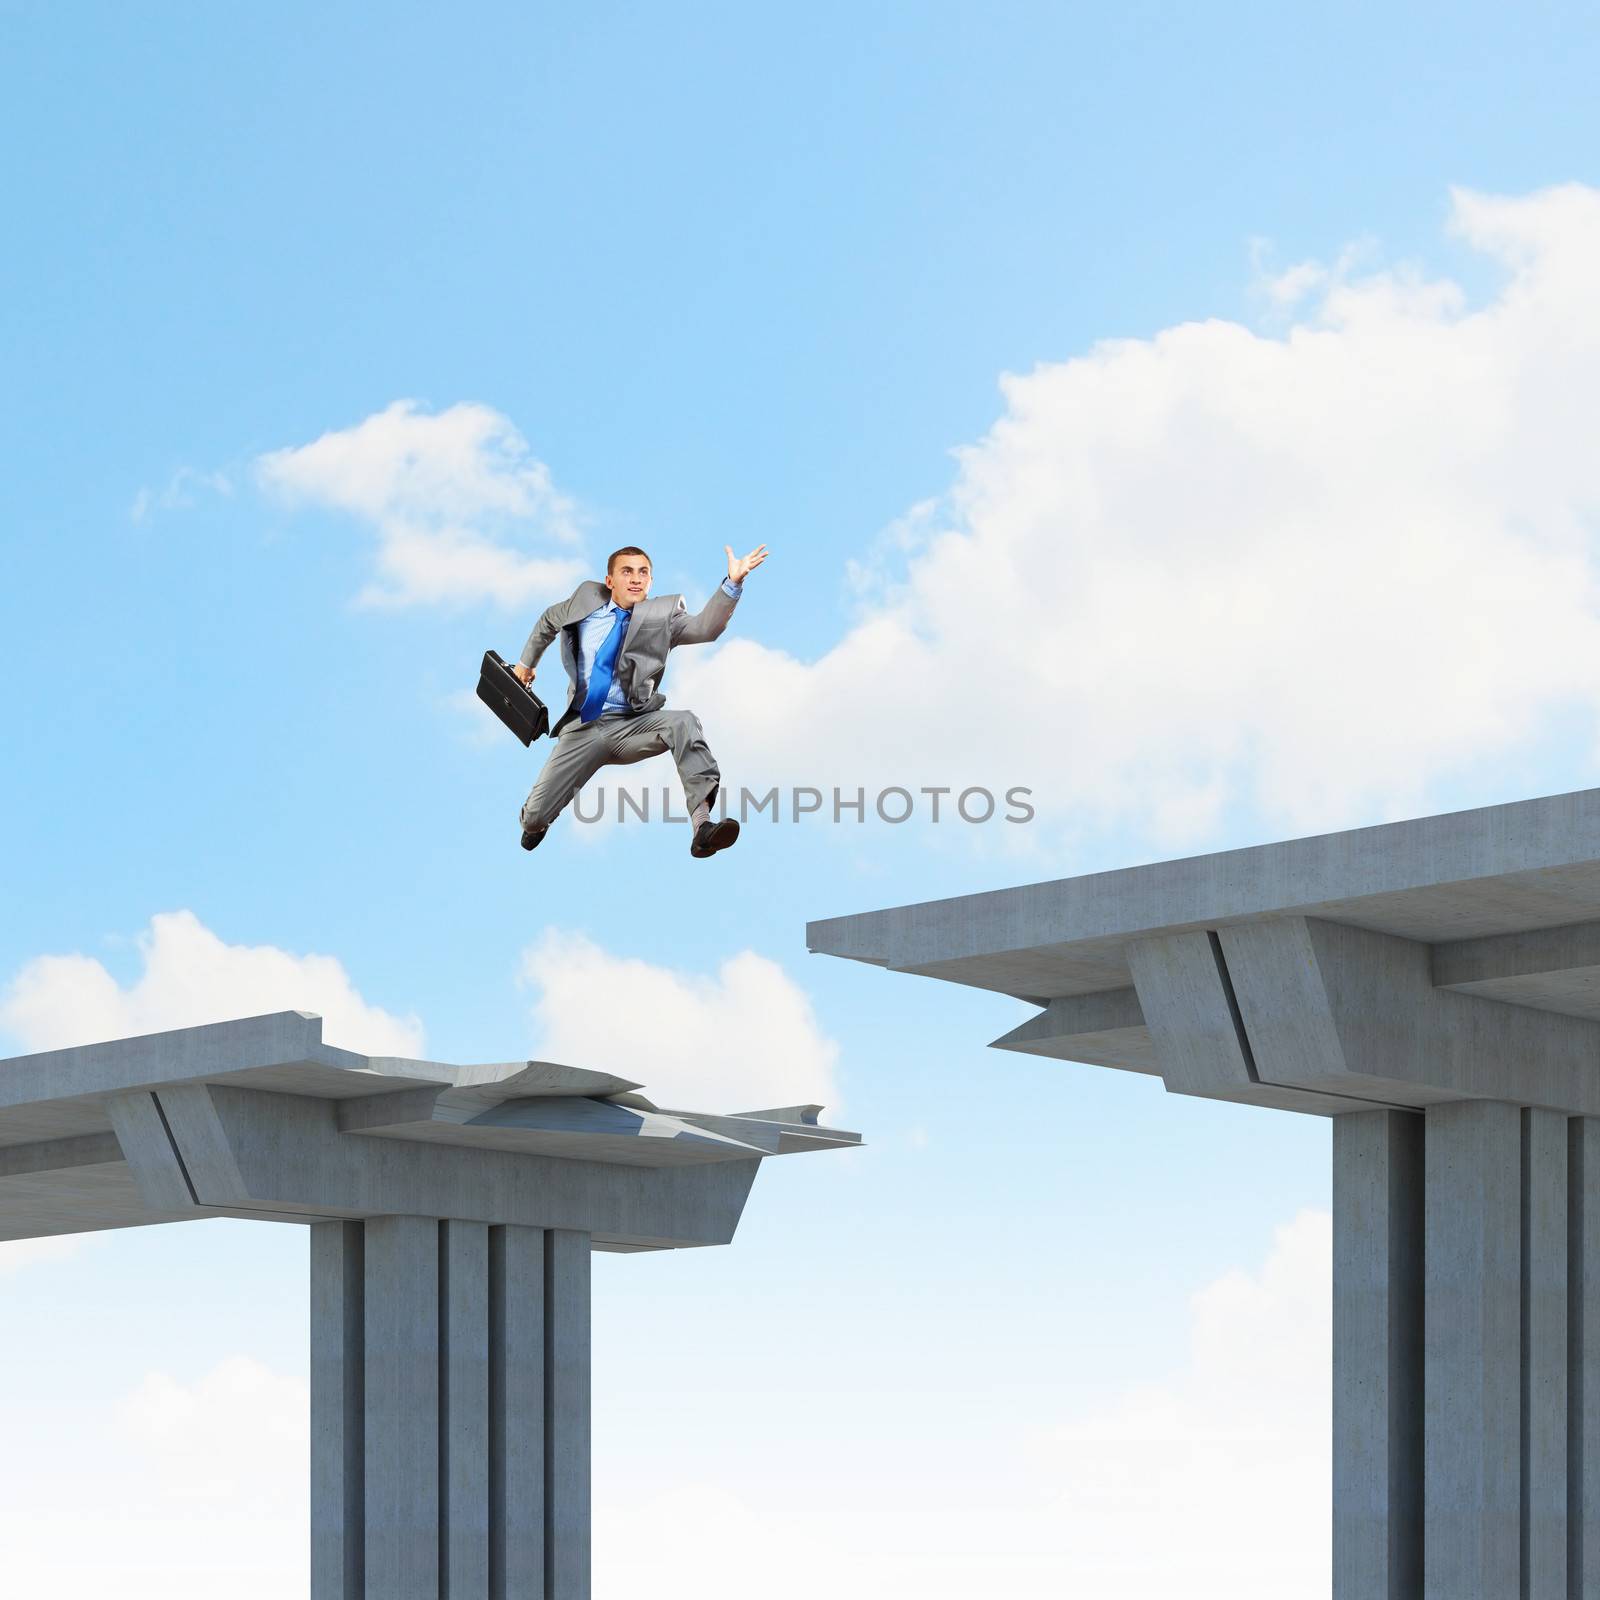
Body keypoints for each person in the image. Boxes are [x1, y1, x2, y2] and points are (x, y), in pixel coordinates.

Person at [511, 542, 767, 857]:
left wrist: (733, 583)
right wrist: (526, 666)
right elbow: (548, 621)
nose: (636, 579)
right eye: (627, 572)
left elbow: (705, 628)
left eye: (643, 572)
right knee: (534, 818)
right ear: (610, 581)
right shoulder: (584, 601)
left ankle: (702, 828)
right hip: (581, 728)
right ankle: (537, 821)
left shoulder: (663, 616)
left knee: (684, 722)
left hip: (632, 725)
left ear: (650, 581)